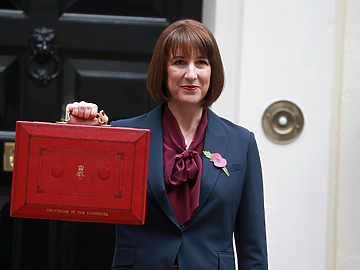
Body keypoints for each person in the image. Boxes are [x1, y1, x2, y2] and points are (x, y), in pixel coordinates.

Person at [66, 19, 268, 270]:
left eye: (201, 63)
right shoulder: (124, 135)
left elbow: (253, 246)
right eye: (179, 62)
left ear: (212, 71)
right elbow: (74, 194)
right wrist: (78, 135)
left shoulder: (242, 142)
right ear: (163, 70)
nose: (191, 74)